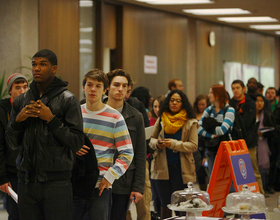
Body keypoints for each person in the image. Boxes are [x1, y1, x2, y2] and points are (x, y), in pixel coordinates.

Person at [5, 49, 84, 220]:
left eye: (43, 64)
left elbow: (77, 142)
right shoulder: (21, 101)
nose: (37, 68)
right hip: (27, 182)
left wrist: (51, 119)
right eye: (34, 64)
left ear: (54, 69)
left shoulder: (69, 100)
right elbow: (11, 143)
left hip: (57, 184)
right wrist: (18, 121)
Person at [73, 69, 134, 220]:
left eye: (98, 86)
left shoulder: (115, 117)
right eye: (89, 85)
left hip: (100, 185)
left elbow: (127, 153)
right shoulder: (75, 114)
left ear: (105, 90)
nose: (93, 89)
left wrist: (110, 176)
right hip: (75, 182)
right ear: (83, 87)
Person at [105, 69, 147, 220]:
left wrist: (138, 187)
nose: (120, 89)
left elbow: (141, 153)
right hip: (98, 178)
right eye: (116, 85)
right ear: (107, 87)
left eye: (124, 86)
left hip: (123, 181)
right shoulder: (94, 110)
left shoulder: (136, 116)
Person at [149, 89, 198, 219]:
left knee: (181, 205)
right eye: (172, 100)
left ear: (183, 103)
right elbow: (151, 140)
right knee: (164, 204)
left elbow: (193, 145)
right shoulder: (161, 119)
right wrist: (157, 143)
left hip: (181, 169)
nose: (174, 103)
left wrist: (174, 144)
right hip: (161, 168)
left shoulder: (190, 121)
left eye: (178, 101)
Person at [0, 73, 28, 220]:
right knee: (15, 213)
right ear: (10, 90)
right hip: (12, 173)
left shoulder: (32, 108)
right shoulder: (2, 111)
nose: (22, 91)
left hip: (30, 172)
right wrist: (2, 177)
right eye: (18, 87)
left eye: (25, 87)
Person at [229, 79, 265, 195]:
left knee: (253, 170)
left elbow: (247, 122)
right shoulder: (230, 103)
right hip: (235, 142)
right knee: (237, 172)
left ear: (243, 89)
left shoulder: (250, 102)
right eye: (233, 88)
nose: (235, 90)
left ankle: (260, 195)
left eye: (238, 88)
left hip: (249, 141)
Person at [197, 85, 235, 176]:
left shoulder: (229, 110)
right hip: (211, 148)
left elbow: (222, 130)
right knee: (213, 177)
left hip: (225, 149)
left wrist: (208, 127)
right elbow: (198, 128)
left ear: (219, 94)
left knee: (226, 178)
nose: (209, 95)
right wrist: (212, 135)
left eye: (211, 93)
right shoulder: (209, 110)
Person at [255, 94, 276, 194]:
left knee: (263, 167)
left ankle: (264, 187)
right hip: (253, 142)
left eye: (261, 101)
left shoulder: (267, 114)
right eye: (257, 101)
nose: (259, 103)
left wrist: (264, 133)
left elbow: (273, 131)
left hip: (264, 142)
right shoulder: (250, 115)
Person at [193, 94, 211, 191]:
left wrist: (205, 154)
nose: (201, 107)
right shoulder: (193, 114)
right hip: (195, 144)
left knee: (204, 173)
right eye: (199, 104)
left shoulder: (209, 115)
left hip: (205, 144)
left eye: (203, 104)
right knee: (198, 171)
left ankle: (205, 191)